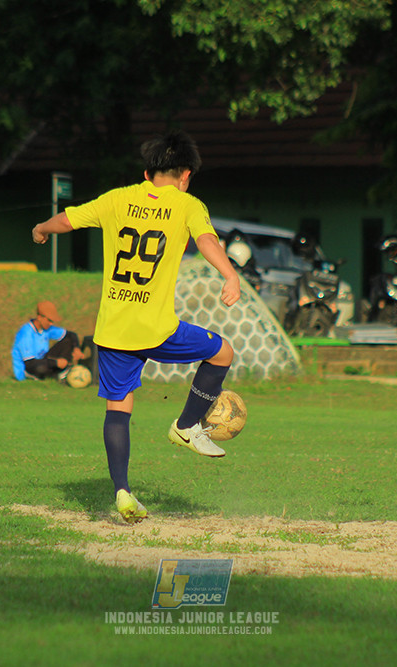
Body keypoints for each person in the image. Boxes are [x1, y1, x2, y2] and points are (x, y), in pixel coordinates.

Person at [31, 130, 241, 524]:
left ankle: (123, 492)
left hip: (113, 328)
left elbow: (67, 219)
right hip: (156, 326)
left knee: (118, 408)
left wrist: (41, 228)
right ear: (186, 175)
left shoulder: (116, 199)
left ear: (147, 173)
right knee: (222, 351)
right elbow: (208, 240)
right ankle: (187, 424)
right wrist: (229, 274)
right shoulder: (187, 204)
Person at [11, 300, 86, 381]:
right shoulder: (26, 333)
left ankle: (61, 373)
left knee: (68, 341)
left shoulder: (46, 329)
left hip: (44, 361)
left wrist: (76, 348)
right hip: (29, 368)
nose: (51, 324)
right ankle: (57, 375)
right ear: (40, 317)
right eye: (49, 320)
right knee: (40, 368)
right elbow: (30, 363)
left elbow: (71, 335)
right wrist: (56, 363)